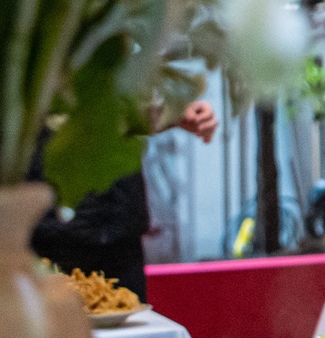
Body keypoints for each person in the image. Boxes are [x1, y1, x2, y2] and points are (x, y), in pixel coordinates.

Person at [30, 99, 218, 300]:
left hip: (118, 229)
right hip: (43, 230)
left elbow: (126, 108)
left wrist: (176, 111)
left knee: (130, 317)